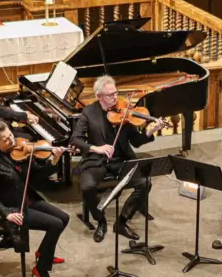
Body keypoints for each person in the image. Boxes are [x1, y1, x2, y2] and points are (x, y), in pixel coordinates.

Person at [70, 75, 165, 243]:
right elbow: (75, 139)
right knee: (87, 187)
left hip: (121, 159)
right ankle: (100, 220)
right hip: (96, 160)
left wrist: (151, 130)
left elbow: (136, 141)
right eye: (110, 95)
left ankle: (121, 222)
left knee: (144, 184)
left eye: (116, 93)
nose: (115, 97)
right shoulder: (89, 112)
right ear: (99, 96)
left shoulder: (124, 112)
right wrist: (96, 148)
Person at [0, 118, 69, 277]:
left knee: (64, 218)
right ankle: (42, 269)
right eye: (5, 139)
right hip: (13, 208)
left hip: (28, 200)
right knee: (55, 224)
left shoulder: (23, 150)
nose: (11, 140)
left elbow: (39, 174)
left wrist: (55, 160)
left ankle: (43, 252)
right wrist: (7, 213)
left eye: (10, 135)